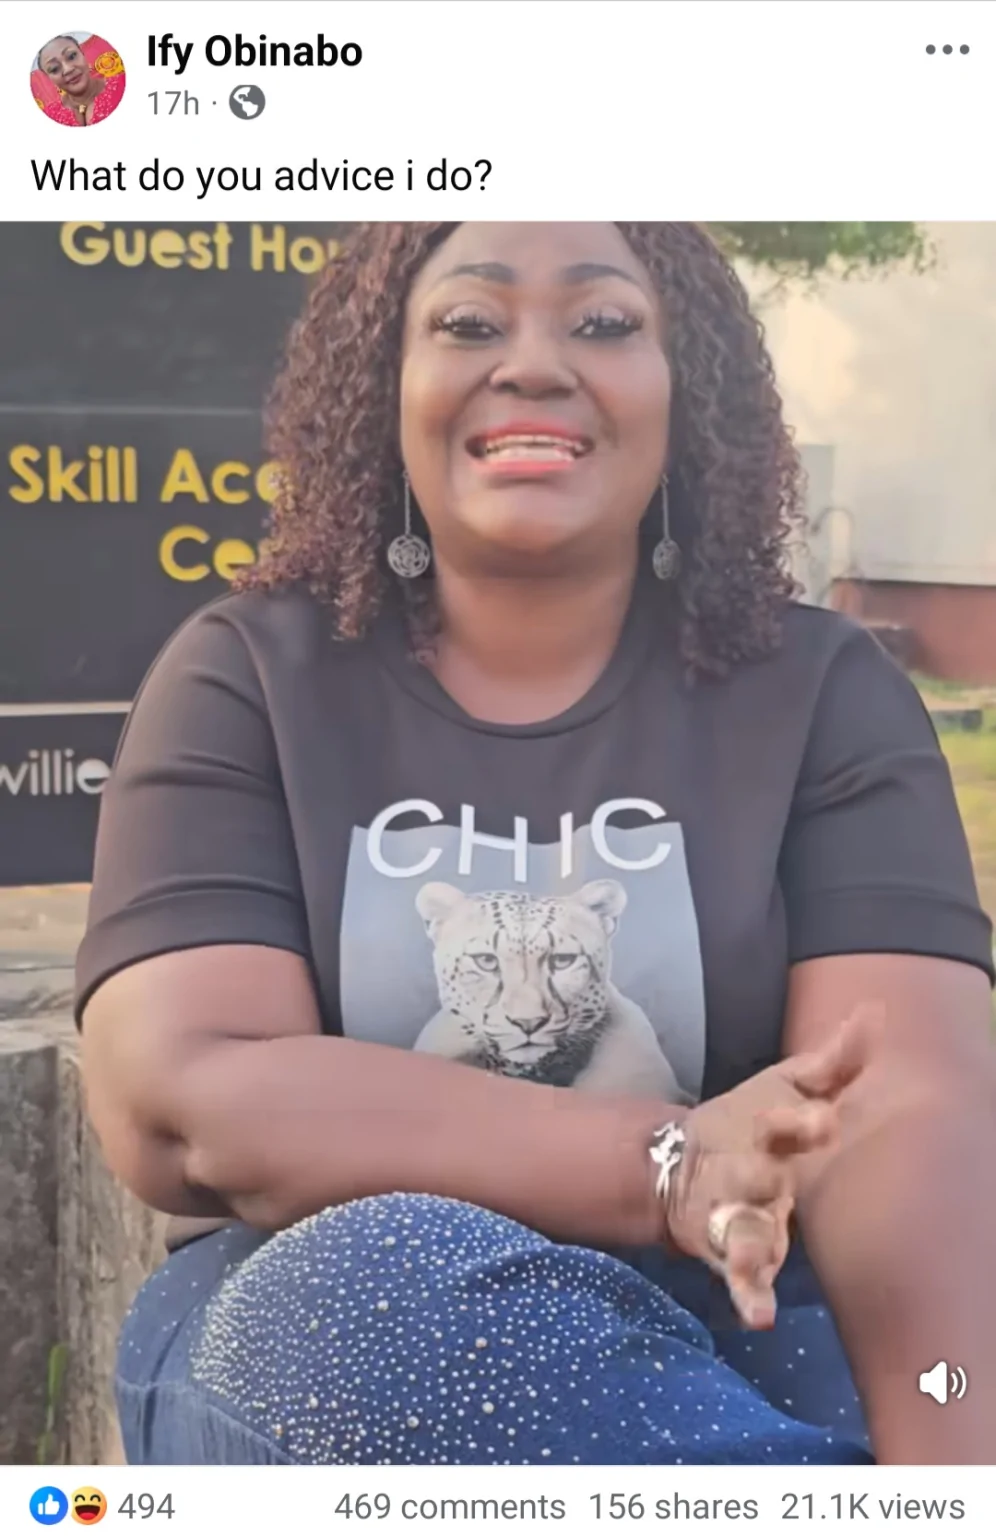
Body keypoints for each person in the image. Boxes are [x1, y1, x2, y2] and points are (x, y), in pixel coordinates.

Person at [77, 222, 996, 1467]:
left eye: (603, 323)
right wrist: (665, 1164)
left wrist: (950, 1462)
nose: (533, 363)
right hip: (332, 1302)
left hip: (750, 1303)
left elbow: (900, 1114)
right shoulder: (245, 677)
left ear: (686, 390)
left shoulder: (823, 692)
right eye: (469, 322)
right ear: (385, 390)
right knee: (368, 1307)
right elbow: (190, 1099)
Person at [36, 36, 125, 127]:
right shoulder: (47, 116)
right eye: (54, 69)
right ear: (49, 78)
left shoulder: (123, 84)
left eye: (72, 56)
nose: (68, 69)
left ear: (83, 54)